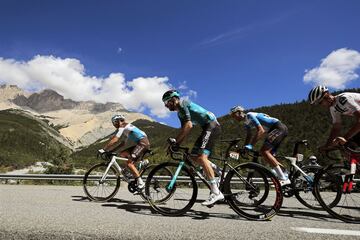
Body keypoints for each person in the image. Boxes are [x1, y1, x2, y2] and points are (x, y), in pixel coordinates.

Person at [162, 89, 223, 206]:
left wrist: (176, 144)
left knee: (201, 157)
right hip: (207, 128)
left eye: (167, 103)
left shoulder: (183, 103)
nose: (166, 106)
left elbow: (189, 125)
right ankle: (219, 172)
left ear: (173, 100)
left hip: (212, 126)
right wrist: (176, 143)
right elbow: (184, 130)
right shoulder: (180, 113)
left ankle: (216, 192)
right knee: (194, 157)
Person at [229, 106, 290, 185]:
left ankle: (283, 178)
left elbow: (261, 130)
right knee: (268, 156)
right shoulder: (246, 122)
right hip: (279, 129)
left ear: (239, 112)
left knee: (264, 151)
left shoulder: (249, 115)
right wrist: (245, 147)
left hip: (278, 128)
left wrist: (250, 145)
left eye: (234, 116)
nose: (234, 118)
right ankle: (284, 172)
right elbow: (249, 135)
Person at [98, 114, 150, 190]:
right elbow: (123, 143)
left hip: (143, 144)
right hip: (140, 143)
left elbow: (115, 139)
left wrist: (104, 149)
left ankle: (141, 183)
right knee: (123, 153)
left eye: (114, 122)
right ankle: (136, 165)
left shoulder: (123, 126)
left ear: (118, 121)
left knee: (129, 163)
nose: (114, 125)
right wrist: (111, 151)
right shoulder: (126, 129)